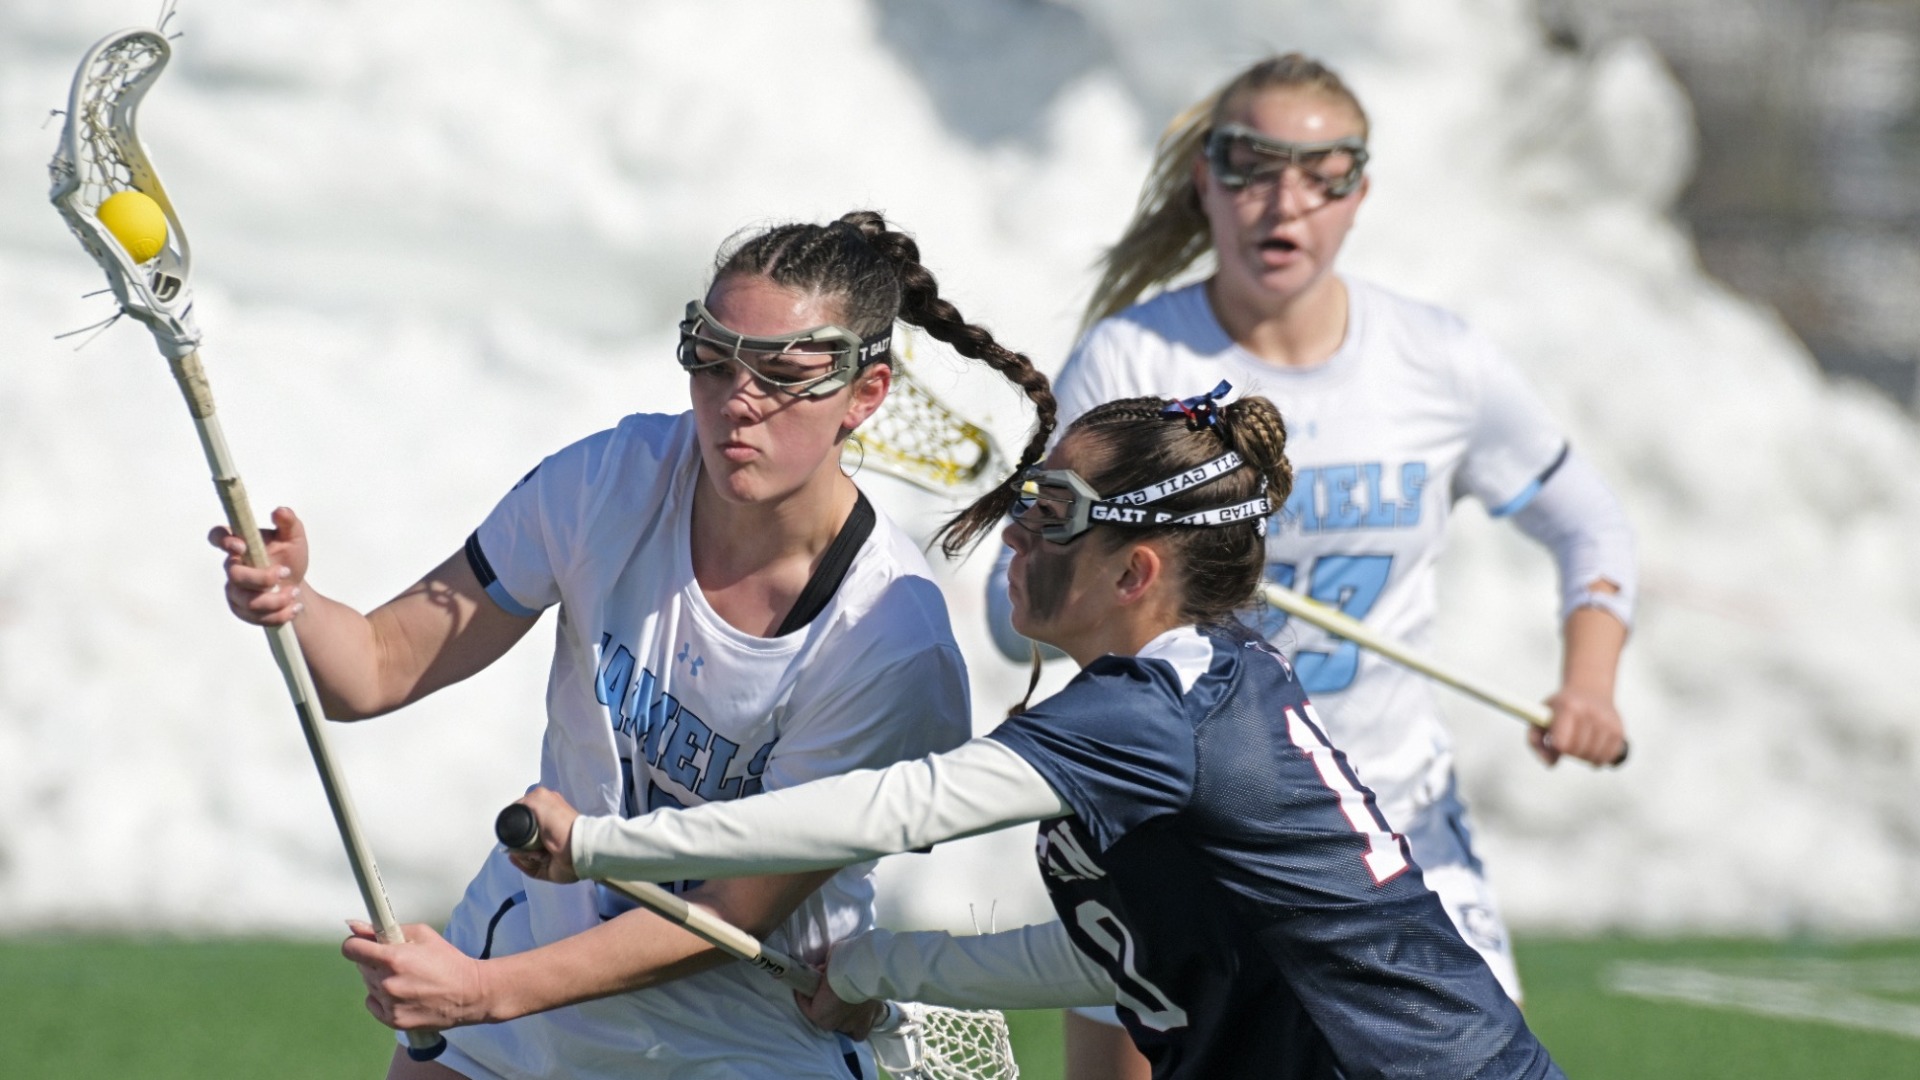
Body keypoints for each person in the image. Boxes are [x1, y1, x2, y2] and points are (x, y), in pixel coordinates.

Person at [209, 210, 1057, 1080]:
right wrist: (295, 600)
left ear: (866, 393)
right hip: (514, 989)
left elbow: (731, 916)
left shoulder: (887, 641)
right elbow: (377, 669)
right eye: (713, 361)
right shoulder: (607, 482)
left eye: (783, 374)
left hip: (733, 1039)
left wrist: (481, 992)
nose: (738, 402)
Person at [507, 390, 1568, 1080]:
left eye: (1051, 512)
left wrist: (604, 846)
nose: (1013, 532)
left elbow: (895, 807)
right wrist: (881, 965)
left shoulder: (1149, 716)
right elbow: (1122, 956)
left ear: (1135, 571)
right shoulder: (1207, 682)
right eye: (1024, 496)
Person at [974, 51, 1636, 1078]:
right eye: (1250, 164)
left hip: (1387, 841)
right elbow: (1010, 604)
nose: (1283, 201)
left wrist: (1589, 678)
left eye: (1323, 171)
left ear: (1359, 193)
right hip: (1173, 839)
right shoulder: (1136, 362)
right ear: (1205, 180)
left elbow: (1589, 524)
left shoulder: (1437, 361)